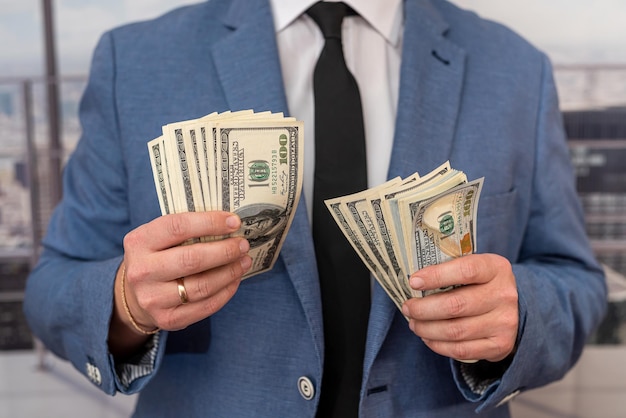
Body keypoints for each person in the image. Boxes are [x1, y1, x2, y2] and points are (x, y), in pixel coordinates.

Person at [23, 0, 607, 417]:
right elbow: (54, 286)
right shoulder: (137, 61)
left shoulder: (516, 70)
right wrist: (126, 302)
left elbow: (574, 279)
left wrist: (519, 317)